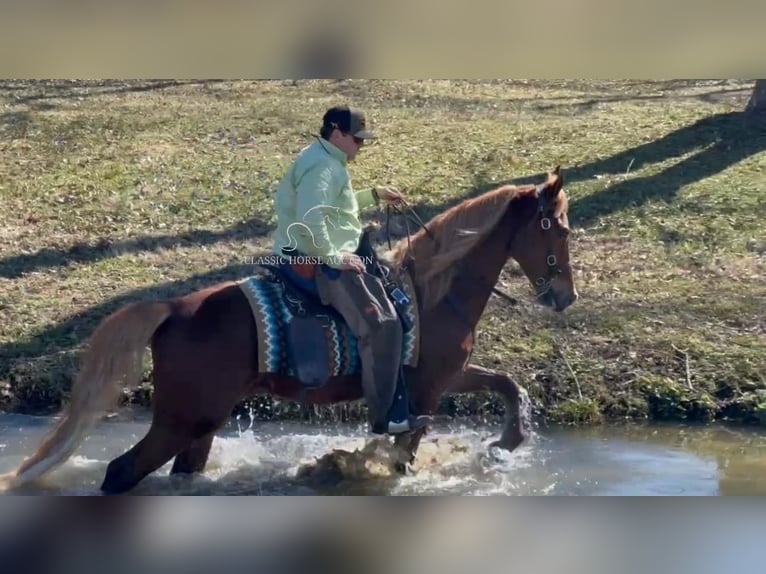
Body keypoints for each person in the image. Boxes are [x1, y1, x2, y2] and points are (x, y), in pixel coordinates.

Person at [271, 104, 430, 435]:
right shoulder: (323, 168)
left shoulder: (324, 159)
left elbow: (334, 205)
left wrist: (373, 195)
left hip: (325, 250)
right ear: (338, 134)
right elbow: (311, 217)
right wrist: (333, 257)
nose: (362, 145)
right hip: (317, 259)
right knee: (384, 325)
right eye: (357, 139)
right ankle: (388, 418)